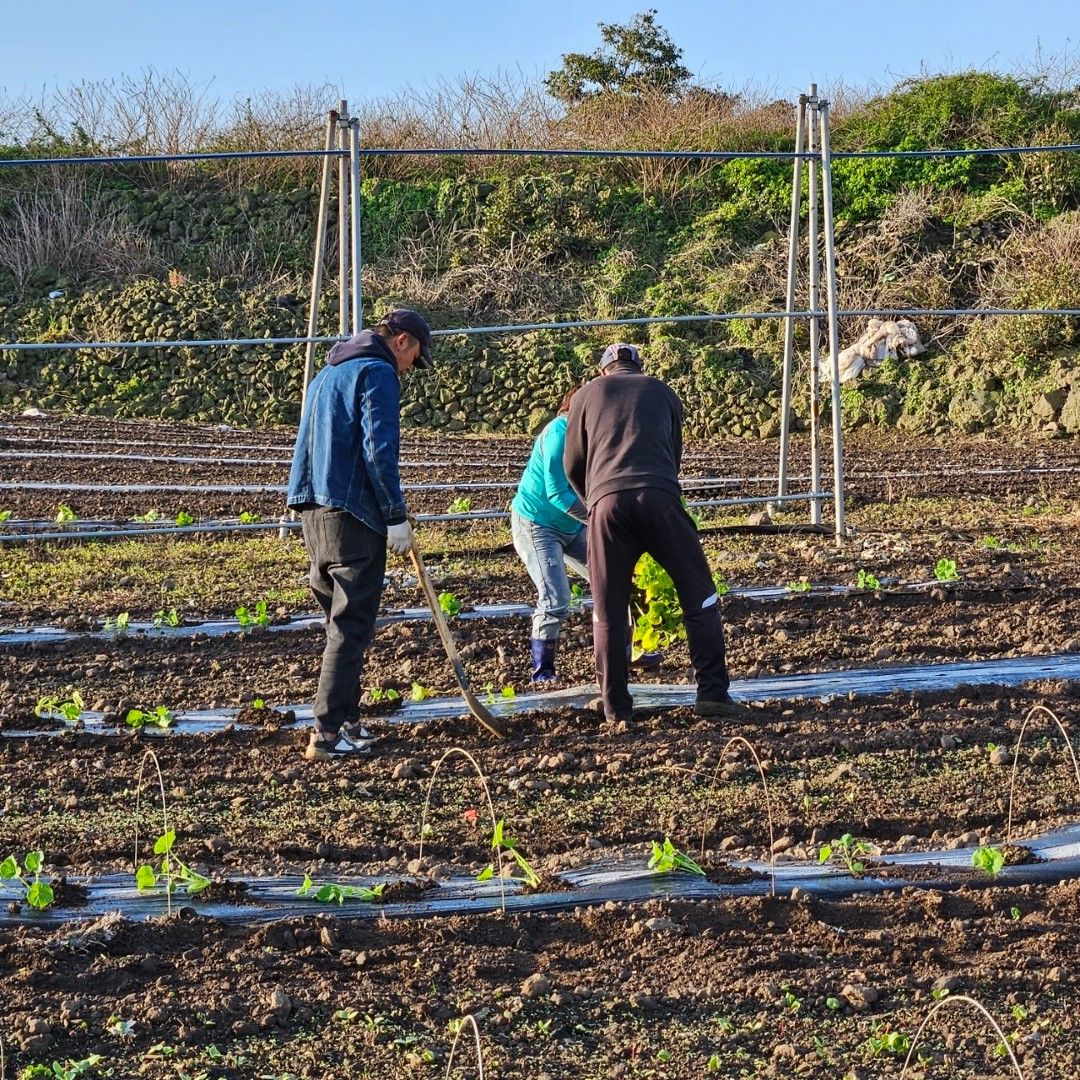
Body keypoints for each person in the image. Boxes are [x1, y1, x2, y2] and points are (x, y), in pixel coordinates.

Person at [563, 343, 749, 722]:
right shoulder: (663, 392)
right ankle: (712, 693)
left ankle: (616, 708)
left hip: (607, 505)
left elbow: (573, 463)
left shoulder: (585, 395)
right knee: (699, 595)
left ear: (604, 371)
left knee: (608, 609)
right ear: (638, 368)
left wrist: (597, 500)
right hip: (660, 497)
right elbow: (672, 452)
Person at [287, 308, 433, 760]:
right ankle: (327, 735)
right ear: (402, 341)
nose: (410, 369)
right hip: (353, 515)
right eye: (415, 358)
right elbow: (378, 449)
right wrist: (395, 515)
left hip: (314, 513)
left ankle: (348, 723)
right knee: (350, 628)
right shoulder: (378, 373)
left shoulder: (326, 375)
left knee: (339, 624)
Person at [511, 387, 663, 682]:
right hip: (537, 524)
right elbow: (557, 493)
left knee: (621, 577)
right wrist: (596, 517)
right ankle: (543, 671)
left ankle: (627, 653)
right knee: (556, 596)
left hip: (573, 526)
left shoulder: (594, 437)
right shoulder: (558, 433)